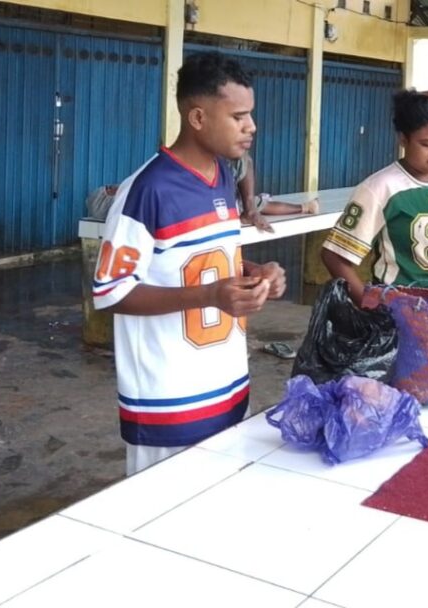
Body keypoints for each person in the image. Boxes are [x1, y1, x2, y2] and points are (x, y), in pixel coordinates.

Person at [92, 52, 286, 476]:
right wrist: (211, 295)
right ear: (197, 118)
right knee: (156, 528)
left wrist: (255, 274)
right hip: (169, 404)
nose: (251, 126)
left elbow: (197, 257)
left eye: (250, 114)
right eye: (238, 116)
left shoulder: (221, 177)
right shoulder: (147, 190)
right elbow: (111, 292)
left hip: (229, 390)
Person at [321, 90, 428, 303]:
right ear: (403, 139)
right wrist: (372, 307)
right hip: (401, 316)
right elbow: (334, 256)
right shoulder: (379, 188)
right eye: (427, 144)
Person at [230, 152, 319, 233]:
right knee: (258, 203)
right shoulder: (237, 156)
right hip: (231, 206)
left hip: (232, 204)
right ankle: (307, 207)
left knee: (254, 203)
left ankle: (307, 207)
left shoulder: (233, 155)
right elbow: (247, 161)